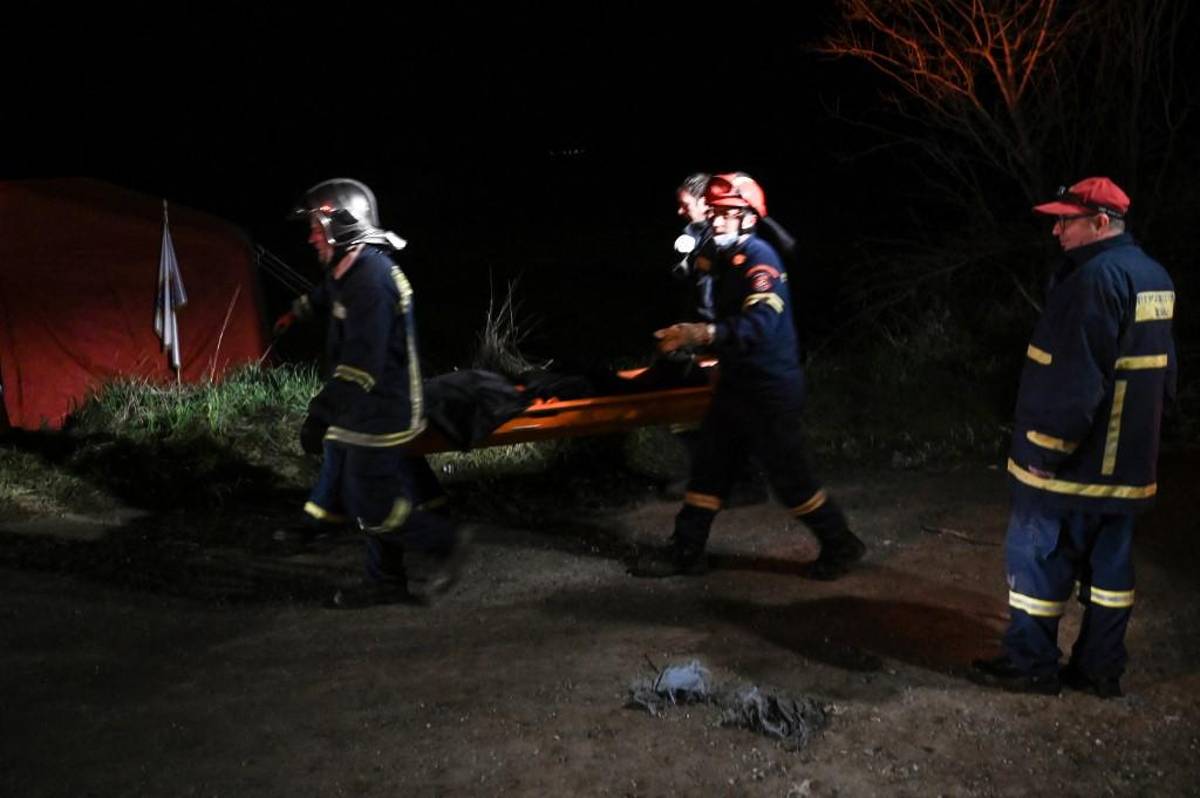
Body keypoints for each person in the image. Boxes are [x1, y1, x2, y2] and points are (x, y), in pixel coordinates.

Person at [971, 176, 1176, 696]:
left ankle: (1030, 664)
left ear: (1101, 224)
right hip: (1128, 466)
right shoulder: (1154, 276)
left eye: (1067, 220)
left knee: (1036, 558)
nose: (1057, 230)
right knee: (1109, 574)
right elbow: (1166, 373)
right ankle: (1099, 670)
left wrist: (1045, 449)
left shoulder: (1092, 281)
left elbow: (1072, 379)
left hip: (1075, 468)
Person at [634, 173, 867, 580]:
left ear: (747, 217)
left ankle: (840, 543)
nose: (717, 220)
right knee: (710, 467)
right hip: (738, 386)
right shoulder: (727, 256)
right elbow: (712, 303)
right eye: (715, 213)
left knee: (791, 481)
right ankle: (686, 551)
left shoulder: (760, 259)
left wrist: (705, 334)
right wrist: (696, 333)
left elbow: (759, 323)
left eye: (725, 214)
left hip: (768, 391)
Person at [291, 178, 467, 609]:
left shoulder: (372, 281)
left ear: (343, 227)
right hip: (365, 402)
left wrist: (320, 413)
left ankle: (444, 543)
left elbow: (362, 365)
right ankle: (385, 578)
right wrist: (299, 311)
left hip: (385, 406)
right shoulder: (350, 267)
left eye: (318, 226)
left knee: (369, 497)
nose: (312, 235)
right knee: (362, 487)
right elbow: (328, 293)